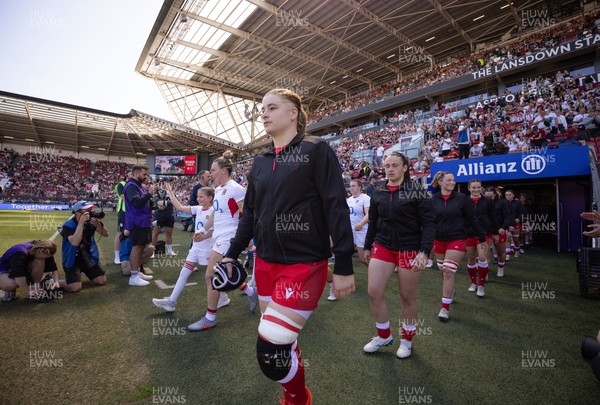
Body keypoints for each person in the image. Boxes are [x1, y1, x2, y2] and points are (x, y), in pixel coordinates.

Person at [221, 88, 355, 405]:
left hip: (303, 264)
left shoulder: (316, 150)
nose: (263, 114)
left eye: (271, 107)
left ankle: (297, 400)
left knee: (270, 350)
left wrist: (345, 265)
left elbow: (336, 206)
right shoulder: (261, 161)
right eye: (261, 109)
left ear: (293, 112)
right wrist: (230, 254)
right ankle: (294, 398)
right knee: (283, 343)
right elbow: (250, 213)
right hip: (265, 265)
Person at [362, 151, 434, 359]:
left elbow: (429, 223)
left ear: (405, 168)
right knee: (374, 292)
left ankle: (406, 340)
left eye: (395, 165)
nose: (390, 169)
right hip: (383, 246)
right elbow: (373, 221)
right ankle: (383, 335)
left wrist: (424, 251)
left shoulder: (416, 191)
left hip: (409, 247)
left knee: (407, 296)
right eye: (387, 166)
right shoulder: (378, 192)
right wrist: (368, 246)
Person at [186, 150, 257, 331]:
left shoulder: (236, 189)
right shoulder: (217, 190)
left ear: (224, 170)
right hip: (218, 235)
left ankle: (210, 317)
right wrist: (202, 230)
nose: (211, 173)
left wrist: (244, 239)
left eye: (213, 169)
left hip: (228, 236)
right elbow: (215, 214)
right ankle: (250, 291)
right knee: (224, 275)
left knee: (210, 275)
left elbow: (245, 214)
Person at [430, 172, 485, 321]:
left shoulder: (462, 199)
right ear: (441, 182)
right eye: (449, 180)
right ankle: (450, 292)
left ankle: (444, 308)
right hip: (439, 240)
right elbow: (429, 221)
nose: (453, 182)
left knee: (448, 271)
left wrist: (481, 238)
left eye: (454, 180)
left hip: (457, 239)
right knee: (443, 270)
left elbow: (472, 219)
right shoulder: (433, 200)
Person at [152, 185, 215, 312]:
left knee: (214, 277)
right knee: (184, 273)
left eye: (201, 197)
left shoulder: (215, 211)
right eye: (197, 196)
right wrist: (170, 193)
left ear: (210, 198)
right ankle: (171, 302)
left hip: (208, 249)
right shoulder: (198, 209)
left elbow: (215, 230)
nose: (198, 199)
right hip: (196, 248)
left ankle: (245, 290)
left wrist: (203, 237)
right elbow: (180, 207)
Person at [58, 201, 108, 292]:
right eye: (86, 211)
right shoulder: (67, 225)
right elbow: (74, 242)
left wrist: (98, 225)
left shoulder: (90, 223)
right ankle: (55, 281)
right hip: (72, 260)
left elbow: (105, 234)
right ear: (77, 213)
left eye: (90, 211)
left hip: (87, 257)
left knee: (102, 280)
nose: (89, 213)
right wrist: (81, 223)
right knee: (75, 287)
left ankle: (80, 275)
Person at [124, 165, 157, 287]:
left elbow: (144, 203)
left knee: (142, 247)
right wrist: (149, 193)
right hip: (137, 221)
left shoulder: (138, 186)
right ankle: (133, 276)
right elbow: (137, 202)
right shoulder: (131, 186)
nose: (145, 176)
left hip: (143, 220)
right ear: (136, 173)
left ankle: (137, 272)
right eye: (144, 174)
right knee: (137, 248)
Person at [465, 179, 495, 298]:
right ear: (469, 188)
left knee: (482, 258)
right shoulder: (464, 201)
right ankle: (473, 283)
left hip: (484, 234)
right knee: (471, 259)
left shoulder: (488, 201)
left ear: (481, 188)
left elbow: (493, 217)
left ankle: (481, 285)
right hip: (469, 234)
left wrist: (495, 232)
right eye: (473, 187)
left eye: (478, 187)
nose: (476, 190)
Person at [484, 187, 510, 277]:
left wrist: (504, 227)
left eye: (490, 196)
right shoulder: (482, 203)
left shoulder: (503, 202)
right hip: (486, 231)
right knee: (485, 254)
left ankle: (500, 268)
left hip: (499, 231)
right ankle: (485, 272)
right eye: (486, 197)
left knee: (500, 253)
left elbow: (507, 216)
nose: (488, 198)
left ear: (495, 195)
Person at [347, 179, 370, 266]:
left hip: (362, 229)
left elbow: (369, 214)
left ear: (360, 187)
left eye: (353, 186)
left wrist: (361, 224)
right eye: (350, 186)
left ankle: (377, 270)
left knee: (363, 258)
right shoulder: (349, 199)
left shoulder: (365, 198)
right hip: (351, 229)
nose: (351, 188)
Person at [113, 169, 132, 264]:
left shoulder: (135, 184)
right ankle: (116, 257)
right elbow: (123, 196)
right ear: (127, 175)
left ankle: (127, 255)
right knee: (120, 233)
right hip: (124, 212)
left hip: (132, 213)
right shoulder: (121, 184)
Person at [151, 186, 177, 256]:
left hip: (169, 214)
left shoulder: (171, 193)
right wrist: (158, 205)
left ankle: (169, 250)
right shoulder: (156, 192)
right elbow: (153, 201)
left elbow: (175, 202)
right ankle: (152, 251)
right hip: (159, 214)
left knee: (169, 232)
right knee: (155, 232)